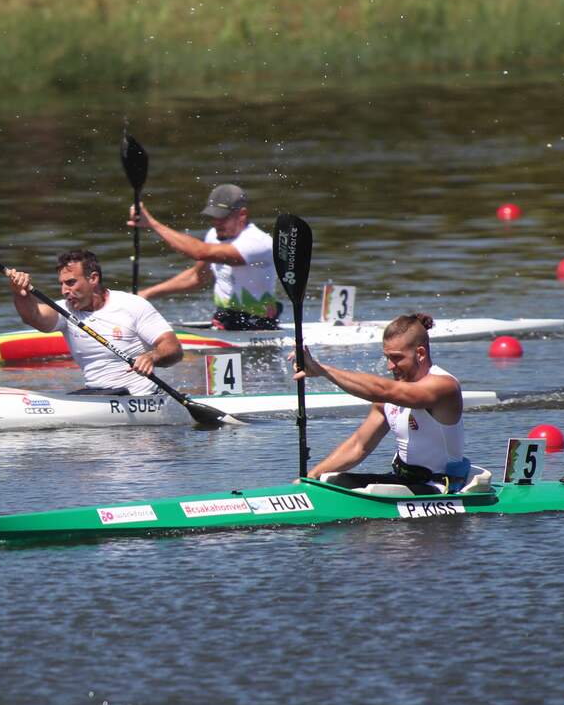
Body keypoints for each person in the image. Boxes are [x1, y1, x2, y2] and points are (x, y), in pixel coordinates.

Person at [292, 313, 472, 493]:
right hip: (403, 482)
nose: (390, 366)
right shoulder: (389, 399)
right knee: (334, 481)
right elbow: (359, 446)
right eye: (387, 357)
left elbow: (386, 390)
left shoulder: (444, 386)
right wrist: (311, 477)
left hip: (439, 489)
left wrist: (323, 370)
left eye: (396, 357)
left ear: (420, 353)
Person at [6, 249, 183, 396]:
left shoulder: (132, 305)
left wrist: (152, 357)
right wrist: (20, 293)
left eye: (71, 283)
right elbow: (33, 317)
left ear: (93, 278)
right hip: (97, 396)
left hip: (139, 397)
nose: (64, 291)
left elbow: (173, 348)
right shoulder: (65, 311)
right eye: (62, 284)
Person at [128, 183, 282, 330]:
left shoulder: (259, 243)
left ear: (242, 214)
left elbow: (199, 252)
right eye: (213, 216)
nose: (216, 222)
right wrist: (145, 294)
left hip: (258, 325)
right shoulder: (213, 235)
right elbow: (197, 277)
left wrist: (152, 224)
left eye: (223, 217)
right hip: (224, 321)